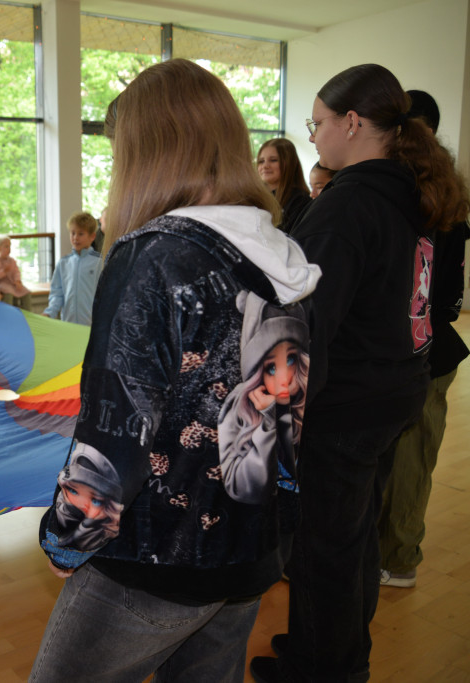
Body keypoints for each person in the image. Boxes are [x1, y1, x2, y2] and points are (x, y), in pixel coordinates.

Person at [30, 59, 319, 683]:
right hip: (249, 547)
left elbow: (117, 433)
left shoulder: (153, 258)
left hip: (156, 556)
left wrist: (67, 534)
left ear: (148, 154)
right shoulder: (282, 259)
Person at [250, 65, 469, 683]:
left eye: (318, 123)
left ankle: (327, 670)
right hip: (394, 387)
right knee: (355, 540)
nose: (313, 137)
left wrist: (279, 413)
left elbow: (307, 324)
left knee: (325, 548)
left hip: (347, 402)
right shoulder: (411, 189)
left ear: (352, 122)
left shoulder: (350, 203)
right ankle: (323, 653)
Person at [377, 90, 470, 589]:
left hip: (428, 354)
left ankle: (401, 557)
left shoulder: (433, 195)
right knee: (391, 460)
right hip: (403, 351)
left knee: (412, 464)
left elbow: (442, 291)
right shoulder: (409, 190)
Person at [42, 212, 101, 325]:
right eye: (72, 233)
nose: (75, 238)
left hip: (92, 326)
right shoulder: (63, 263)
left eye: (80, 234)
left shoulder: (99, 263)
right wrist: (49, 313)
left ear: (92, 236)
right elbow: (57, 294)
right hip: (69, 325)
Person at [257, 138, 312, 234]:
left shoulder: (300, 200)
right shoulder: (253, 197)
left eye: (273, 160)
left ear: (289, 163)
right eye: (261, 161)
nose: (265, 166)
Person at [0, 234, 32, 310]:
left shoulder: (12, 261)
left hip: (12, 283)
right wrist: (4, 271)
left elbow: (16, 272)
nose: (9, 249)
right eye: (6, 246)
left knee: (26, 292)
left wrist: (17, 281)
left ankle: (27, 312)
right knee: (9, 293)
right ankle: (8, 312)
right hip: (1, 284)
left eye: (10, 246)